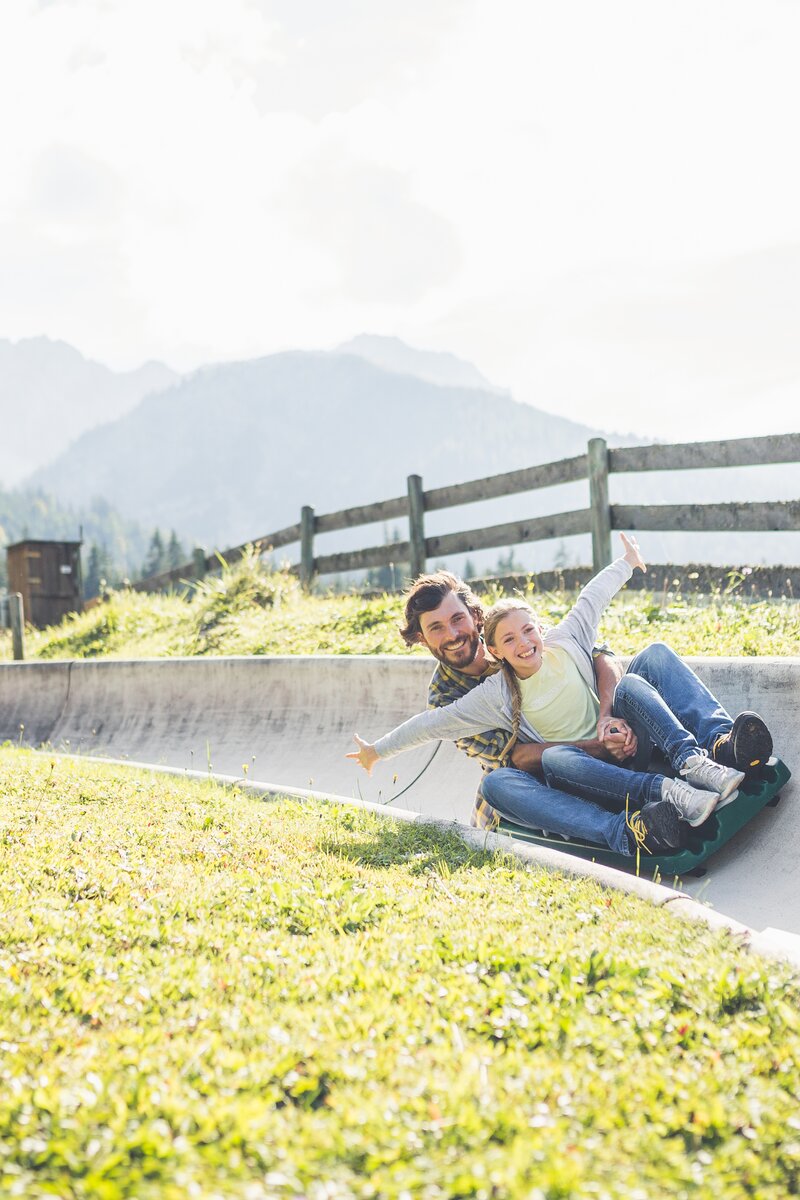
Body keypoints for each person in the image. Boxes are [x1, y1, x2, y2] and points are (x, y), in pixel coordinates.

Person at [348, 535, 773, 859]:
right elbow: (515, 758)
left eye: (457, 619)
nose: (453, 634)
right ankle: (629, 831)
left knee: (653, 658)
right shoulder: (455, 698)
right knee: (501, 782)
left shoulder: (514, 628)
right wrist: (377, 752)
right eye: (436, 628)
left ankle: (722, 746)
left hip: (606, 731)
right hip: (560, 777)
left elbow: (596, 650)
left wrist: (609, 716)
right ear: (421, 638)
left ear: (475, 619)